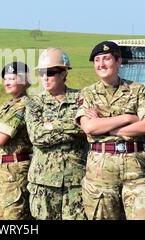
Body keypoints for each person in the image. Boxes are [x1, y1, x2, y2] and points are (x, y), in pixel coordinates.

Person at [75, 41, 145, 220]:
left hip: (136, 172)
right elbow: (89, 126)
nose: (101, 64)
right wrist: (128, 118)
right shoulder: (87, 93)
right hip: (100, 174)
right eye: (97, 60)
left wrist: (105, 127)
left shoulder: (137, 90)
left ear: (118, 62)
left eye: (106, 59)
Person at [25, 48, 88, 220]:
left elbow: (86, 129)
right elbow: (37, 136)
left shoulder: (82, 98)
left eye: (50, 72)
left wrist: (52, 125)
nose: (45, 77)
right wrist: (71, 127)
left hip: (75, 180)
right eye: (42, 73)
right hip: (44, 181)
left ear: (63, 73)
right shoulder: (34, 103)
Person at [0, 62, 32, 220]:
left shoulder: (24, 105)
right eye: (5, 79)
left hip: (16, 171)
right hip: (2, 170)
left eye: (12, 78)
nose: (7, 82)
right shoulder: (7, 106)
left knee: (15, 218)